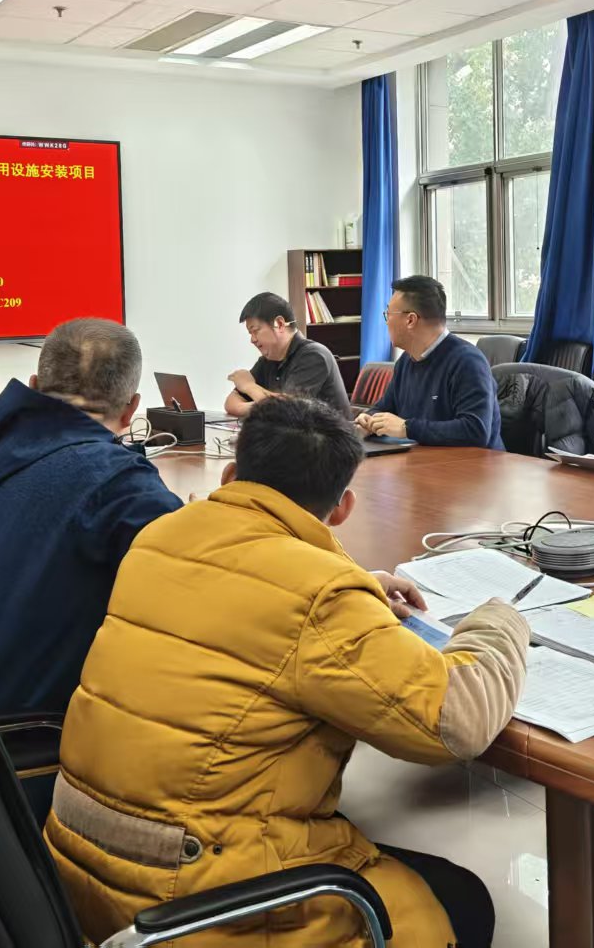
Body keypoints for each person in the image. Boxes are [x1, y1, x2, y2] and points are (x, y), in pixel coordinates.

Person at [46, 396, 530, 948]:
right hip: (195, 902)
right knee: (462, 900)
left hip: (81, 870)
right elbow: (455, 721)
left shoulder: (158, 538)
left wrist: (358, 590)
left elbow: (245, 594)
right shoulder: (320, 596)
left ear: (231, 475)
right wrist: (502, 617)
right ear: (343, 508)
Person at [0, 317, 181, 717]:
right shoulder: (116, 482)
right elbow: (194, 587)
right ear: (131, 409)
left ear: (34, 386)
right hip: (19, 739)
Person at [355, 275, 503, 449]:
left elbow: (475, 431)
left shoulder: (468, 362)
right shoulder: (406, 361)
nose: (386, 322)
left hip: (474, 463)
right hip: (426, 460)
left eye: (388, 314)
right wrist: (369, 420)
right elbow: (385, 408)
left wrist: (407, 428)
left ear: (410, 320)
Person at [223, 291, 351, 418]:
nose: (252, 340)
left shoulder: (314, 356)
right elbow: (231, 403)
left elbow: (286, 412)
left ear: (279, 324)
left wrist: (250, 387)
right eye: (250, 334)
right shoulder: (267, 360)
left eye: (255, 331)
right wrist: (265, 406)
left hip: (326, 431)